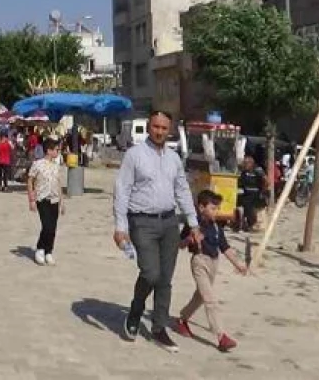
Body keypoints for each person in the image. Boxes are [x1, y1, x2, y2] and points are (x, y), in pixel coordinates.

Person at [113, 109, 200, 352]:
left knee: (165, 279)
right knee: (150, 273)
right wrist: (120, 227)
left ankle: (159, 328)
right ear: (149, 127)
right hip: (142, 222)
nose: (159, 131)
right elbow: (122, 190)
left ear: (169, 130)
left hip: (170, 223)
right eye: (155, 127)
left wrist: (193, 223)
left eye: (164, 128)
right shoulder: (134, 155)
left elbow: (182, 190)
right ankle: (135, 311)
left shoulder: (173, 158)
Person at [174, 190, 247, 352]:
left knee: (200, 297)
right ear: (201, 207)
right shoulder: (193, 224)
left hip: (214, 263)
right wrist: (190, 239)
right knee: (210, 299)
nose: (216, 211)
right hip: (199, 261)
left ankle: (182, 319)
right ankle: (221, 336)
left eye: (217, 208)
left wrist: (238, 264)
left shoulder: (216, 226)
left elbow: (224, 247)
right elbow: (179, 244)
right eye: (213, 208)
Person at [28, 137, 65, 265]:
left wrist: (62, 201)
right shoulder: (37, 164)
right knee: (47, 226)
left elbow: (58, 183)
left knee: (53, 227)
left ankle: (48, 251)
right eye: (56, 150)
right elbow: (30, 181)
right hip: (42, 198)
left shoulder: (56, 166)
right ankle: (40, 249)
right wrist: (31, 199)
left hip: (54, 199)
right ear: (49, 150)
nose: (58, 152)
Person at [235, 154, 266, 232]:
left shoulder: (257, 170)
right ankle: (248, 225)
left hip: (256, 194)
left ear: (252, 163)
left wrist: (263, 190)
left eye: (247, 163)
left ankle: (255, 225)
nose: (245, 165)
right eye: (244, 163)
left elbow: (266, 181)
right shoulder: (243, 172)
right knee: (245, 208)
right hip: (246, 194)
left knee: (254, 210)